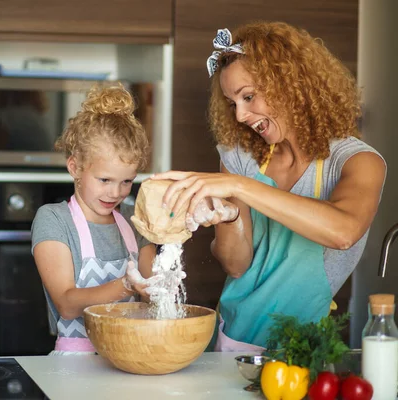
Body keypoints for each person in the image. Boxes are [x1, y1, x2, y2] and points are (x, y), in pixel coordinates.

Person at [152, 22, 387, 351]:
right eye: (232, 103)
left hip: (301, 349)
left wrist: (239, 186)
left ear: (289, 82)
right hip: (232, 337)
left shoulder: (355, 162)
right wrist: (231, 217)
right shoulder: (241, 157)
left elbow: (343, 231)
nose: (240, 116)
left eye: (248, 97)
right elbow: (236, 265)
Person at [31, 84, 158, 355]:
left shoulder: (135, 220)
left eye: (127, 181)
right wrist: (125, 285)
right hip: (77, 362)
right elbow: (67, 303)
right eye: (105, 180)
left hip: (133, 355)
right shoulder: (54, 220)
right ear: (75, 167)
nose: (116, 193)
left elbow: (153, 292)